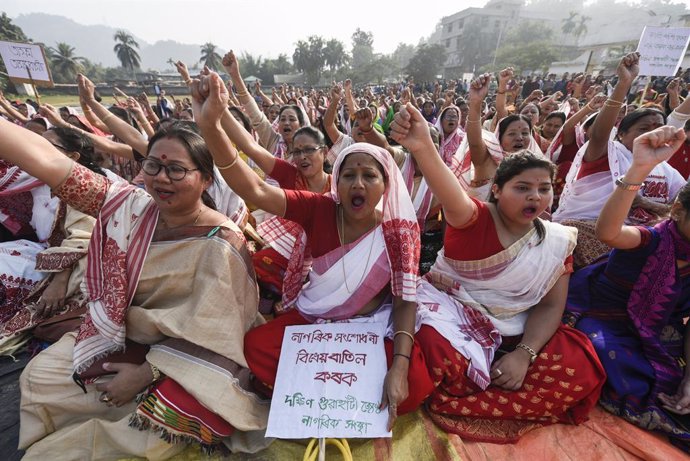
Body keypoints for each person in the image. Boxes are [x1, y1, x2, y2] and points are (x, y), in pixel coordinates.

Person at [0, 120, 269, 459]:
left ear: (205, 179)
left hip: (191, 356)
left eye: (176, 170)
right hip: (127, 334)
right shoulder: (134, 209)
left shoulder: (222, 242)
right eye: (153, 165)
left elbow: (217, 332)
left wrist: (144, 374)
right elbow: (53, 165)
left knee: (149, 430)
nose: (161, 177)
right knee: (42, 378)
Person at [191, 71, 434, 431]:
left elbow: (404, 300)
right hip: (314, 320)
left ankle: (323, 388)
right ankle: (320, 393)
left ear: (386, 184)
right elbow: (256, 190)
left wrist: (398, 365)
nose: (358, 183)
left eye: (370, 176)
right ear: (337, 181)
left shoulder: (398, 232)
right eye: (349, 174)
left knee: (413, 380)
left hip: (367, 326)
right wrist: (209, 126)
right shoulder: (318, 207)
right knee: (256, 347)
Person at [389, 103, 605, 443]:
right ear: (498, 190)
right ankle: (467, 387)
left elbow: (550, 307)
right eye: (522, 188)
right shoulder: (472, 218)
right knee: (430, 357)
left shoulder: (556, 241)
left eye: (544, 188)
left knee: (581, 363)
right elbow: (448, 188)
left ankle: (474, 391)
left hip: (515, 329)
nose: (535, 196)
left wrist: (525, 354)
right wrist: (423, 146)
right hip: (455, 318)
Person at [565, 126, 690, 453]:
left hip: (663, 332)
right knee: (608, 360)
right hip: (608, 319)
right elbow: (608, 231)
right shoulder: (650, 238)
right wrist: (638, 169)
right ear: (677, 212)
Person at [553, 53, 685, 268]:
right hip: (592, 231)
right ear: (620, 134)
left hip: (645, 237)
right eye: (643, 129)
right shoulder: (609, 154)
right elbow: (598, 134)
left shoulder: (668, 171)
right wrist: (624, 83)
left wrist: (647, 205)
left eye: (658, 128)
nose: (652, 134)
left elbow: (680, 208)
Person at [0, 127, 102, 354]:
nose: (37, 149)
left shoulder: (83, 187)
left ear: (73, 157)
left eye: (47, 145)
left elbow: (85, 238)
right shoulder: (34, 181)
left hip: (73, 266)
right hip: (43, 253)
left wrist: (58, 282)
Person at [456, 73, 543, 200]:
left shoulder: (537, 165)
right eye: (512, 133)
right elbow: (474, 141)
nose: (519, 138)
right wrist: (475, 102)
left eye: (525, 133)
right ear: (499, 138)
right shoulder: (488, 159)